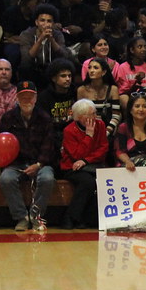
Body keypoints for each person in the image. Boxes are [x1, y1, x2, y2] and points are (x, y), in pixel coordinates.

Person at [0, 80, 56, 230]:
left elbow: (48, 145)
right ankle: (21, 217)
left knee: (48, 178)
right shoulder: (8, 118)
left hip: (39, 162)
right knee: (6, 179)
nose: (27, 100)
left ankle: (36, 216)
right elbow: (3, 145)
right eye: (23, 97)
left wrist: (38, 164)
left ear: (36, 98)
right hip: (16, 163)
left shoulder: (45, 118)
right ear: (17, 98)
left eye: (30, 96)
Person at [59, 98, 107, 229]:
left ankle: (84, 219)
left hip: (92, 164)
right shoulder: (69, 130)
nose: (95, 116)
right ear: (80, 117)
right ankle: (70, 217)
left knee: (98, 182)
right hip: (72, 167)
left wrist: (86, 160)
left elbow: (103, 148)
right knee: (88, 182)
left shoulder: (101, 125)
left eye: (95, 113)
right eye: (91, 114)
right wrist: (89, 136)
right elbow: (76, 155)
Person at [19, 3, 70, 84]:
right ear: (36, 22)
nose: (45, 24)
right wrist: (40, 39)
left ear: (53, 24)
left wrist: (52, 40)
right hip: (33, 69)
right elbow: (27, 59)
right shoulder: (26, 34)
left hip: (51, 69)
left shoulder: (57, 35)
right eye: (42, 20)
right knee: (24, 67)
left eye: (49, 21)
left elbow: (64, 56)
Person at [77, 56, 120, 141]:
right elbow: (80, 116)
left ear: (103, 72)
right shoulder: (82, 90)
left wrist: (106, 132)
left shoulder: (112, 89)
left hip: (107, 130)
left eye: (95, 68)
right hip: (87, 131)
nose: (91, 70)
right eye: (89, 68)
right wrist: (89, 133)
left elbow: (116, 115)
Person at [113, 36, 146, 112]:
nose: (144, 49)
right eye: (140, 47)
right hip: (132, 95)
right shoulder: (123, 67)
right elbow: (123, 91)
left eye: (145, 47)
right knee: (123, 98)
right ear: (132, 50)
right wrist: (137, 82)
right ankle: (129, 122)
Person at [36, 58, 76, 131]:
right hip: (52, 135)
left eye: (69, 76)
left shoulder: (75, 92)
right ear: (54, 78)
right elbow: (44, 123)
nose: (68, 79)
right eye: (63, 76)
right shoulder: (44, 97)